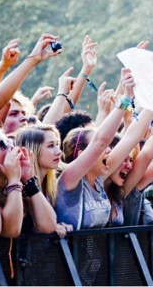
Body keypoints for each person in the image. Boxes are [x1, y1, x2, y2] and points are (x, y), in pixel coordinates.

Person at [55, 68, 136, 229]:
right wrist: (126, 99)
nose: (108, 150)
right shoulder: (69, 179)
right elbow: (100, 141)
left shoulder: (98, 179)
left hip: (97, 255)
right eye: (102, 148)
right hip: (71, 254)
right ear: (81, 154)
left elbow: (132, 138)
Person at [0, 127, 56, 236]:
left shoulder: (20, 187)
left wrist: (28, 180)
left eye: (11, 142)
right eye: (2, 145)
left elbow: (49, 226)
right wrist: (14, 180)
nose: (11, 147)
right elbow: (11, 230)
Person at [15, 124, 72, 237]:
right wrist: (52, 226)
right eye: (51, 146)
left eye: (57, 145)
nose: (59, 152)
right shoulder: (18, 187)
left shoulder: (50, 185)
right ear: (33, 151)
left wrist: (59, 225)